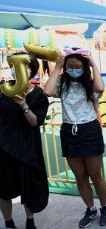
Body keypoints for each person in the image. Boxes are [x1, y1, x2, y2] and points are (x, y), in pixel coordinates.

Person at [44, 49, 106, 228]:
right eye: (70, 66)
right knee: (80, 177)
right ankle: (90, 209)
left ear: (85, 67)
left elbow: (101, 88)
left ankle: (105, 207)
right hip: (69, 130)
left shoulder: (90, 83)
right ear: (65, 67)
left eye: (78, 66)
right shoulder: (61, 83)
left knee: (95, 175)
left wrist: (94, 64)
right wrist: (58, 66)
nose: (74, 69)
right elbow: (47, 91)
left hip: (89, 129)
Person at [0, 53, 49, 229]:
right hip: (4, 146)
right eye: (14, 67)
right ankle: (8, 221)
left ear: (31, 70)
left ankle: (30, 220)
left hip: (28, 148)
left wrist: (23, 105)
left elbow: (35, 122)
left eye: (22, 66)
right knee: (4, 188)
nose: (17, 71)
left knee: (29, 186)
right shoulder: (3, 89)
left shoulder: (39, 95)